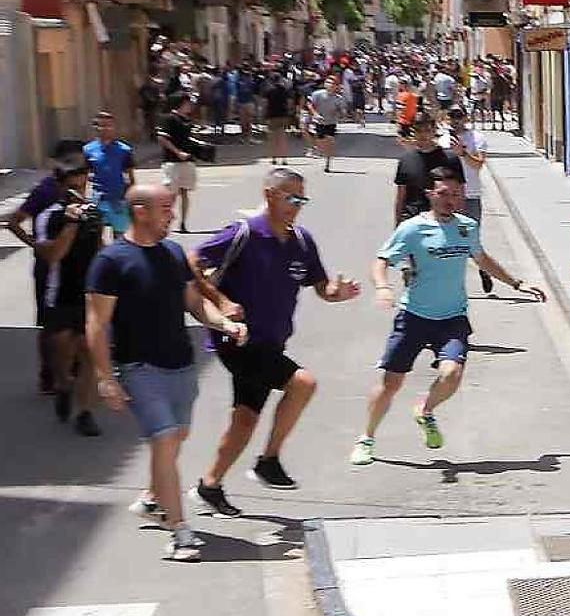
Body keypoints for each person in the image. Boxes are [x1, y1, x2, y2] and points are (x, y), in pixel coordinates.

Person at [85, 184, 249, 560]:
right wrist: (105, 376)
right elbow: (96, 324)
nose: (172, 215)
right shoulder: (111, 262)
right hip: (140, 367)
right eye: (165, 208)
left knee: (176, 438)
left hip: (181, 364)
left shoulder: (172, 253)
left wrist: (223, 323)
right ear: (140, 212)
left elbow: (193, 301)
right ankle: (180, 531)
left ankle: (151, 497)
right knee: (164, 439)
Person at [190, 168, 361, 513]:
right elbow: (191, 261)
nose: (296, 206)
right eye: (289, 198)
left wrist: (337, 293)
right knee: (303, 382)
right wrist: (220, 300)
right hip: (238, 340)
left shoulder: (301, 242)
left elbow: (322, 287)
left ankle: (209, 485)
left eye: (301, 199)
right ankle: (268, 461)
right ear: (269, 194)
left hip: (271, 343)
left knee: (245, 419)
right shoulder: (244, 234)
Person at [351, 172, 545, 467]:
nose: (449, 200)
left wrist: (518, 283)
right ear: (430, 193)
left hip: (452, 317)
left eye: (455, 195)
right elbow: (381, 262)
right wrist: (382, 286)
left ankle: (425, 410)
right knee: (391, 382)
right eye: (443, 193)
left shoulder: (467, 227)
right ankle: (366, 438)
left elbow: (483, 260)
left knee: (452, 375)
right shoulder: (413, 229)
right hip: (414, 315)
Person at [32, 153, 107, 436]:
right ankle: (63, 385)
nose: (81, 185)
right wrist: (71, 225)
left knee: (90, 354)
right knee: (64, 353)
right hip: (60, 296)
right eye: (75, 179)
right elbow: (52, 255)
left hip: (89, 295)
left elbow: (101, 250)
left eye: (85, 178)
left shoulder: (94, 213)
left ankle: (85, 412)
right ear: (61, 184)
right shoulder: (49, 216)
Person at [9, 138, 88, 394]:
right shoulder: (45, 191)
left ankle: (72, 369)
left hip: (78, 268)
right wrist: (38, 247)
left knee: (79, 324)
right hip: (49, 268)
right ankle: (48, 375)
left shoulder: (81, 188)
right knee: (50, 324)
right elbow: (15, 221)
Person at [445, 106, 492, 293]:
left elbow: (479, 164)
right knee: (447, 242)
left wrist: (463, 153)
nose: (455, 120)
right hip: (447, 197)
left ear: (465, 117)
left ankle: (484, 269)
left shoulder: (477, 138)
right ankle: (452, 284)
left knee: (470, 240)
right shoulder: (441, 139)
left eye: (459, 116)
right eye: (452, 116)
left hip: (470, 196)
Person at [392, 113, 465, 224]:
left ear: (434, 131)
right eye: (418, 131)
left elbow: (460, 192)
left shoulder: (450, 159)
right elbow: (401, 196)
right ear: (413, 132)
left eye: (427, 130)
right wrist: (398, 225)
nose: (423, 135)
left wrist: (459, 223)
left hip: (442, 220)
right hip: (412, 221)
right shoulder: (406, 159)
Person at [156, 91, 208, 233]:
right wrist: (178, 152)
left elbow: (190, 139)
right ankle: (164, 221)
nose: (190, 106)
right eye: (187, 103)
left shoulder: (188, 120)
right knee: (170, 194)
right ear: (180, 104)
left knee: (185, 192)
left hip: (188, 162)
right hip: (173, 162)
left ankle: (183, 223)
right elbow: (162, 138)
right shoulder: (168, 118)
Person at [84, 110, 136, 238]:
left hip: (119, 200)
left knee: (120, 237)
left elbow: (130, 177)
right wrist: (84, 199)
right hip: (97, 199)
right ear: (96, 128)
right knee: (94, 237)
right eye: (102, 125)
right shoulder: (88, 150)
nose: (106, 129)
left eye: (109, 125)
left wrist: (133, 198)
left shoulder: (124, 150)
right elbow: (84, 177)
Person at [305, 76, 346, 172]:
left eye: (333, 83)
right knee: (320, 140)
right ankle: (320, 149)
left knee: (329, 141)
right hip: (319, 121)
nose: (330, 85)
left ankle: (327, 163)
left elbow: (341, 110)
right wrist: (315, 114)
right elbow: (310, 104)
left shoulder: (338, 98)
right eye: (328, 83)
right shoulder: (317, 94)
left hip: (331, 122)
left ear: (336, 86)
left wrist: (341, 114)